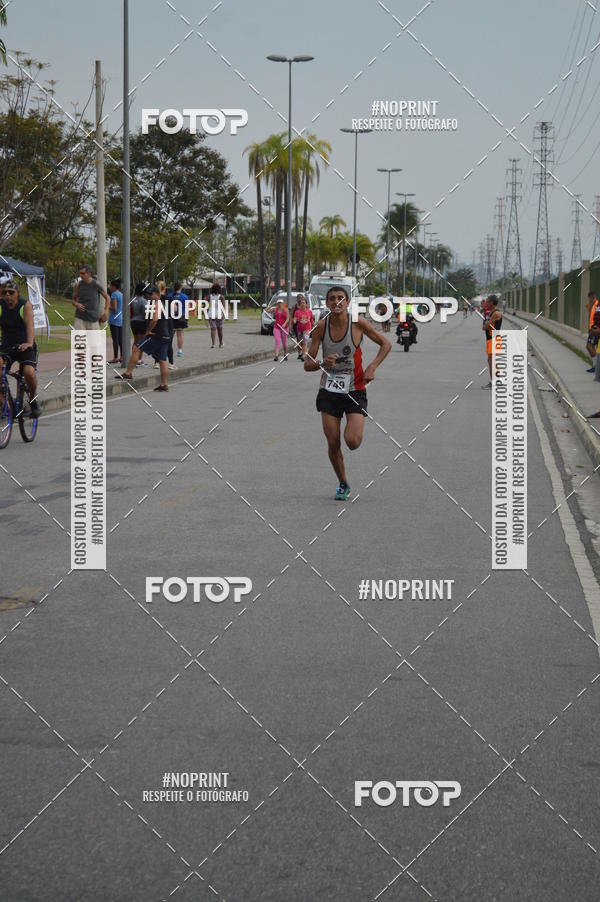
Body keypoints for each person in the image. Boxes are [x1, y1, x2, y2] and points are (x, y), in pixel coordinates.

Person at [304, 285, 391, 500]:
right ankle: (343, 483)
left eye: (341, 298)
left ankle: (352, 435)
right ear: (326, 303)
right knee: (333, 441)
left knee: (352, 441)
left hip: (355, 389)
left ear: (347, 302)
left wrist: (372, 367)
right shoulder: (320, 328)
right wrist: (322, 363)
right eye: (332, 299)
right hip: (329, 390)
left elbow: (386, 344)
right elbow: (307, 364)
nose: (336, 302)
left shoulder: (358, 323)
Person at [116, 285, 170, 391]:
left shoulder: (158, 304)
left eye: (151, 294)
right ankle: (164, 384)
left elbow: (154, 319)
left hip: (156, 335)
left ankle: (128, 373)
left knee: (137, 347)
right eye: (147, 294)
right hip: (165, 335)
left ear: (157, 294)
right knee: (162, 360)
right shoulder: (161, 304)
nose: (148, 296)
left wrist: (148, 331)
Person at [0, 280, 40, 417]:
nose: (7, 295)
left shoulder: (25, 305)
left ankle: (33, 400)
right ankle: (4, 401)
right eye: (4, 292)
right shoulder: (0, 305)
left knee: (28, 372)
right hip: (6, 345)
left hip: (25, 345)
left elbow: (30, 325)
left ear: (18, 294)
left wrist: (29, 342)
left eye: (11, 292)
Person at [72, 264, 109, 329]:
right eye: (80, 273)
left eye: (83, 273)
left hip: (93, 319)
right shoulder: (78, 285)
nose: (81, 275)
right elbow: (73, 300)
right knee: (79, 339)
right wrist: (76, 304)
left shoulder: (96, 284)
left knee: (93, 339)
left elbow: (107, 298)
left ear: (89, 274)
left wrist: (106, 312)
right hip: (80, 318)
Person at [481, 294, 502, 389]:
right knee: (492, 361)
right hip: (491, 338)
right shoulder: (492, 313)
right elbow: (485, 325)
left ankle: (494, 382)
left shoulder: (496, 314)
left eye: (488, 302)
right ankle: (498, 381)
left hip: (493, 338)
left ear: (492, 303)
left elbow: (486, 326)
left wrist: (486, 325)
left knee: (491, 361)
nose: (486, 303)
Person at [170, 281, 189, 357]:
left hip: (172, 316)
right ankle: (180, 351)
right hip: (182, 316)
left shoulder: (170, 296)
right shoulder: (185, 296)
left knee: (171, 335)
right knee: (180, 334)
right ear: (180, 287)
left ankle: (168, 349)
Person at [293, 294, 314, 360]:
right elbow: (295, 319)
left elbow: (312, 320)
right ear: (300, 304)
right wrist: (294, 321)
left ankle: (304, 356)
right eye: (301, 303)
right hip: (299, 329)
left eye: (304, 303)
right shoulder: (297, 312)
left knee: (305, 342)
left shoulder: (309, 312)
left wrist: (315, 325)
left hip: (307, 329)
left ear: (306, 304)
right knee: (301, 342)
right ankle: (303, 353)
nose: (302, 304)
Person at [108, 277, 123, 364]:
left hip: (114, 319)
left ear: (114, 286)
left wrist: (106, 306)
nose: (109, 287)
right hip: (121, 319)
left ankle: (115, 357)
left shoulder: (114, 294)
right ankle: (122, 356)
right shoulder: (121, 294)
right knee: (121, 339)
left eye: (110, 286)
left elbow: (114, 308)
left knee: (115, 339)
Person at [585, 290, 599, 372]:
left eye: (589, 298)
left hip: (595, 329)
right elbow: (591, 316)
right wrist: (589, 308)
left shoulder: (597, 305)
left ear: (592, 297)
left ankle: (597, 365)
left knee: (589, 346)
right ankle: (595, 366)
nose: (588, 300)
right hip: (592, 328)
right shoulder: (593, 305)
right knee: (593, 347)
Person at [208, 283, 225, 348]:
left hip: (211, 314)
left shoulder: (209, 296)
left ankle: (213, 344)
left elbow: (204, 302)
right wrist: (223, 314)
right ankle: (220, 343)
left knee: (213, 329)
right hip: (219, 314)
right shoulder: (221, 297)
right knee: (220, 329)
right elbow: (223, 307)